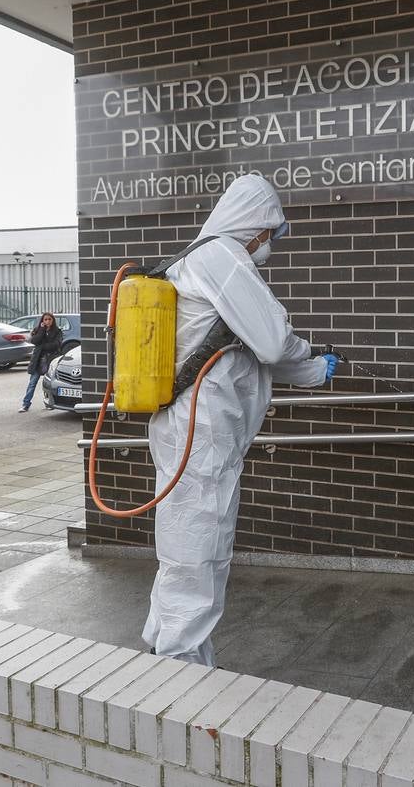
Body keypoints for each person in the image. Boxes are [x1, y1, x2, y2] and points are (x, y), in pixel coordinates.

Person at [142, 173, 338, 667]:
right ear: (254, 225)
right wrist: (309, 356)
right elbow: (272, 340)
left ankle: (162, 639)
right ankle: (181, 664)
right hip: (201, 431)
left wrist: (312, 370)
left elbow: (248, 346)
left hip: (187, 426)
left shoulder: (196, 260)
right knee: (200, 544)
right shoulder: (222, 258)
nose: (268, 244)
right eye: (269, 232)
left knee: (183, 537)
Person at [19, 312, 64, 412]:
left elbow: (56, 345)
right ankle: (25, 404)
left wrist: (42, 346)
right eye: (45, 319)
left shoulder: (57, 331)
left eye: (49, 319)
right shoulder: (38, 330)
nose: (47, 321)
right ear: (42, 321)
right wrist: (42, 330)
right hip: (38, 361)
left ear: (53, 320)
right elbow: (34, 341)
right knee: (32, 383)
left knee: (49, 383)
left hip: (50, 361)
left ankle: (50, 403)